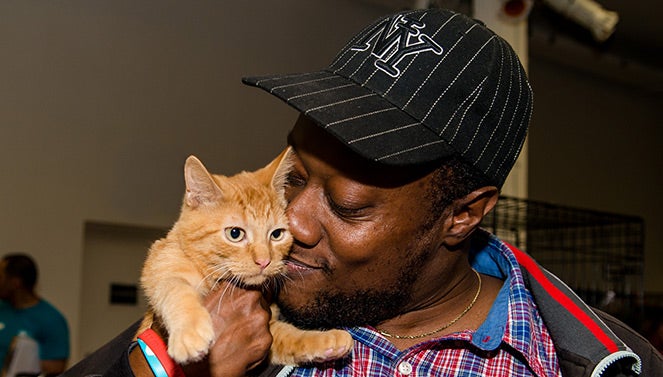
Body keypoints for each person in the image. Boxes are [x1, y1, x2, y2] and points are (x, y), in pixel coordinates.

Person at [62, 8, 662, 377]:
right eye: (295, 178)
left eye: (347, 205)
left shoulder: (595, 363)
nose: (292, 224)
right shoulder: (222, 305)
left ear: (463, 214)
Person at [0, 253, 70, 376]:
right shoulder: (2, 308)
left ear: (16, 283)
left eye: (0, 277)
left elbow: (58, 365)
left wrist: (23, 361)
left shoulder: (51, 319)